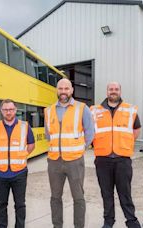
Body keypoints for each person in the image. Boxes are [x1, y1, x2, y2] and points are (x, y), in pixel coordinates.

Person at [44, 78, 94, 228]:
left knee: (78, 197)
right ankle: (57, 225)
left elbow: (90, 132)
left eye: (66, 89)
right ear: (57, 90)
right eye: (60, 88)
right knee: (55, 197)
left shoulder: (82, 108)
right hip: (54, 161)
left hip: (75, 161)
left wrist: (79, 149)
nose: (63, 92)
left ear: (72, 90)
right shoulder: (48, 110)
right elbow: (48, 134)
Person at [90, 82, 141, 228]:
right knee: (106, 194)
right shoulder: (94, 110)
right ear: (107, 92)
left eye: (116, 89)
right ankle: (108, 221)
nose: (113, 91)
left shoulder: (130, 109)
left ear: (120, 91)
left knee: (125, 193)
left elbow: (136, 129)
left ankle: (131, 221)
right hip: (102, 159)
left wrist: (126, 142)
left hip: (122, 159)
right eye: (111, 89)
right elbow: (89, 130)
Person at [0, 99, 35, 228]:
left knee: (20, 204)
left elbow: (31, 144)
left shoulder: (25, 126)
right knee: (1, 204)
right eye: (5, 110)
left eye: (11, 109)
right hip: (0, 173)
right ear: (1, 111)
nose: (8, 112)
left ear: (15, 110)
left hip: (19, 172)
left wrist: (22, 155)